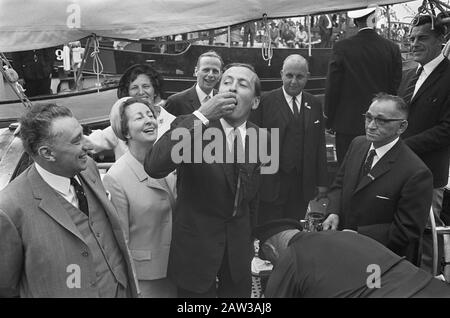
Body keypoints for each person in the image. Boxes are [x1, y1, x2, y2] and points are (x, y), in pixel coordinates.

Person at [145, 63, 268, 298]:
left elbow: (254, 197)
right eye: (227, 82)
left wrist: (250, 240)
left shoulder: (260, 137)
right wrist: (201, 115)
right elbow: (154, 165)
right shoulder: (192, 126)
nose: (232, 88)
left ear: (254, 102)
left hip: (238, 256)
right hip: (196, 253)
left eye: (242, 84)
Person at [0, 103, 139, 297]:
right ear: (47, 153)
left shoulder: (88, 167)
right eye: (76, 141)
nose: (88, 145)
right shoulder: (9, 208)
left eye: (82, 134)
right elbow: (6, 287)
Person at [323, 93, 433, 265]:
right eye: (368, 117)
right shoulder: (358, 144)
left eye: (381, 121)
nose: (371, 126)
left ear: (402, 126)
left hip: (383, 261)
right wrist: (333, 211)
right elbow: (339, 184)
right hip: (344, 252)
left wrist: (360, 236)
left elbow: (407, 230)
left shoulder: (416, 173)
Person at [253, 219, 450, 297]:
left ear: (270, 249)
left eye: (269, 259)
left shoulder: (291, 256)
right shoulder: (345, 235)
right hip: (431, 287)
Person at [102, 97, 177, 297]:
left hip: (179, 268)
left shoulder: (169, 163)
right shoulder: (116, 177)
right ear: (125, 131)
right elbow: (120, 239)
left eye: (151, 115)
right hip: (146, 278)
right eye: (139, 117)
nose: (149, 121)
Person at [397, 15, 450, 271]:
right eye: (411, 38)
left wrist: (403, 146)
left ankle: (429, 283)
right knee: (403, 230)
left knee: (428, 235)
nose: (414, 43)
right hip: (399, 171)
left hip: (429, 174)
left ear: (441, 40)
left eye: (422, 38)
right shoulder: (408, 76)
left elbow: (447, 129)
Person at [250, 54, 328, 223]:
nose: (294, 81)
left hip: (302, 185)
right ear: (281, 74)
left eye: (299, 77)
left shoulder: (314, 103)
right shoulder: (264, 101)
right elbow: (252, 143)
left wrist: (322, 181)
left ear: (307, 76)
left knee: (293, 230)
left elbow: (319, 145)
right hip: (271, 184)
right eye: (289, 76)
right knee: (269, 230)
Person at [324, 7, 402, 164]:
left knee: (347, 171)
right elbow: (394, 87)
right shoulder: (392, 48)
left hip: (347, 125)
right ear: (374, 18)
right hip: (382, 123)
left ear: (354, 21)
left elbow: (333, 87)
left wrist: (330, 120)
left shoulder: (342, 47)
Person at [87, 64, 175, 159]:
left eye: (146, 86)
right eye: (134, 88)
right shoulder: (122, 123)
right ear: (127, 93)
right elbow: (89, 143)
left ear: (155, 91)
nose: (141, 92)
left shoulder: (173, 123)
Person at [165, 50, 223, 116]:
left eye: (215, 71)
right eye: (206, 70)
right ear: (196, 72)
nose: (210, 75)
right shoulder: (176, 102)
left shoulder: (222, 101)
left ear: (220, 75)